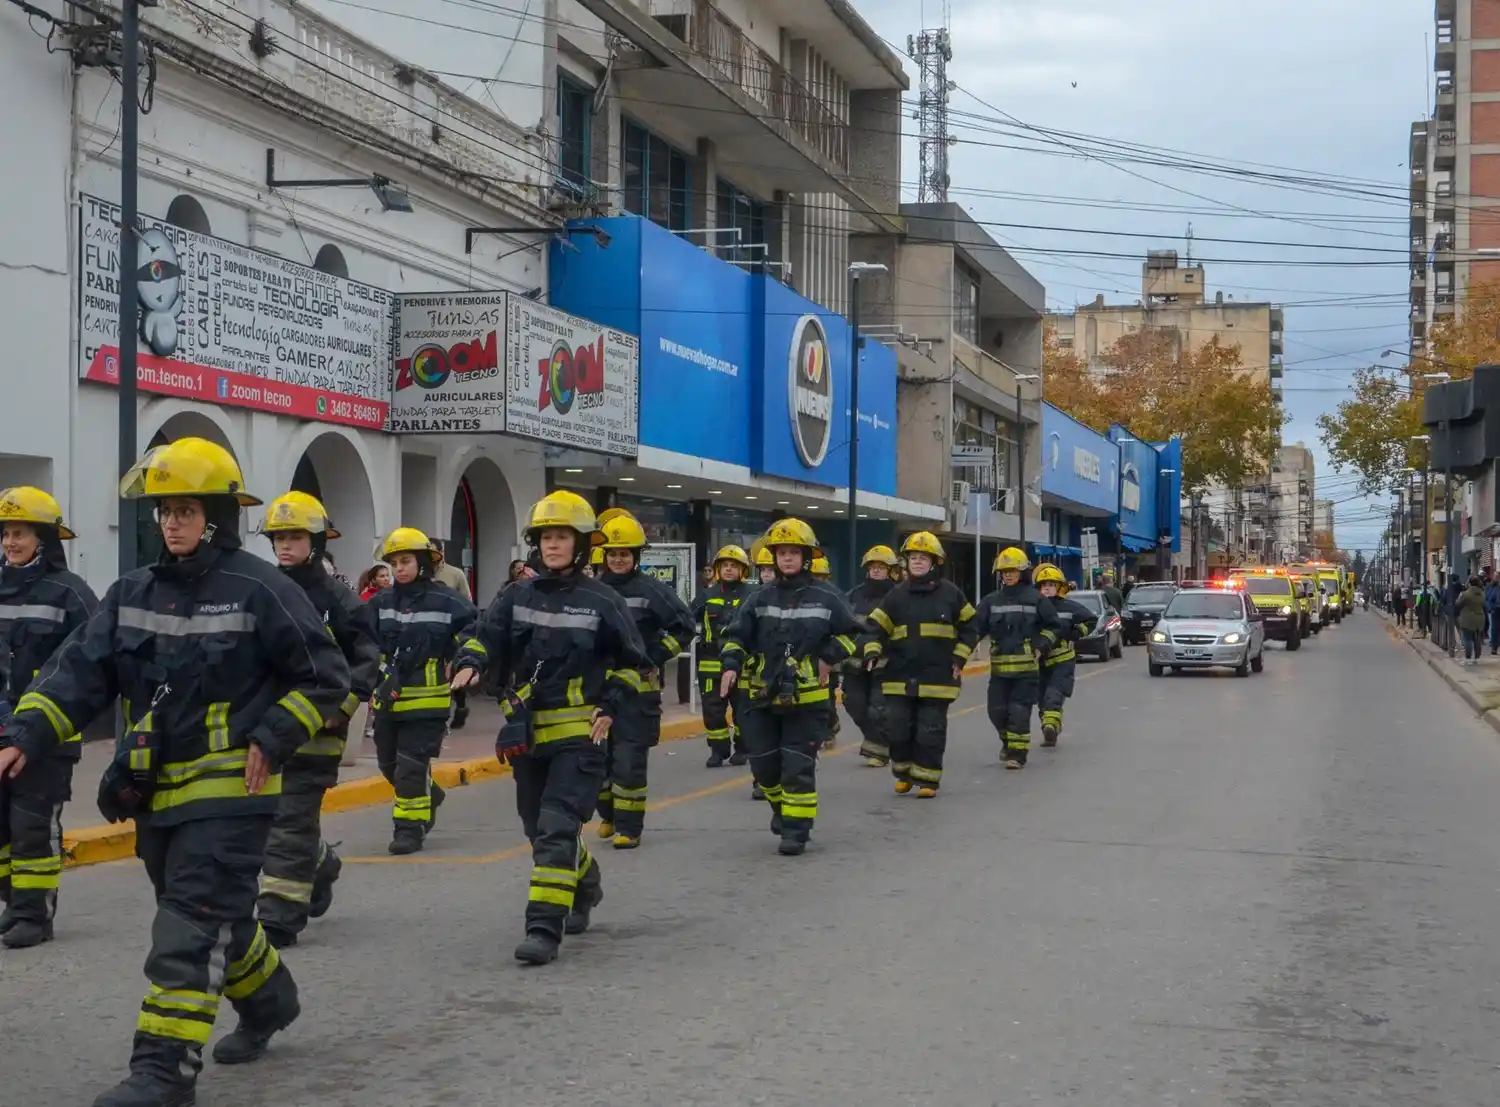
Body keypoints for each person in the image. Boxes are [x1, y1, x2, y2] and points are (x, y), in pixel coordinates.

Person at [0, 437, 351, 1106]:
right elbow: (78, 669)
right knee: (213, 916)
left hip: (232, 793)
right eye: (165, 511)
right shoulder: (134, 591)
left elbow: (325, 676)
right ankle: (271, 999)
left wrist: (277, 733)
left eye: (186, 509)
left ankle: (163, 1069)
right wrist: (27, 733)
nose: (173, 522)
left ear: (217, 514)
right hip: (156, 794)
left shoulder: (261, 587)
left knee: (188, 926)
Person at [450, 491, 649, 965]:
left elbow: (632, 665)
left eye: (562, 536)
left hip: (581, 736)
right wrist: (471, 662)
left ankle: (543, 927)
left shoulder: (604, 600)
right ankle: (585, 882)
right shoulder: (515, 595)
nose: (552, 545)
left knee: (558, 825)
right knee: (536, 828)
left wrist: (611, 705)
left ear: (581, 545)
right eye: (545, 537)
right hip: (527, 734)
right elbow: (485, 637)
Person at [253, 492, 380, 948]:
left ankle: (279, 915)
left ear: (317, 541)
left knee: (290, 817)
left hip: (318, 731)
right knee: (271, 818)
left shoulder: (339, 599)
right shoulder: (262, 589)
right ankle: (320, 862)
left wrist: (340, 709)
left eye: (294, 537)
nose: (285, 546)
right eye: (279, 538)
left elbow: (367, 659)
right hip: (268, 727)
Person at [718, 519, 862, 856]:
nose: (786, 558)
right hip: (761, 697)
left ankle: (796, 832)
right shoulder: (759, 597)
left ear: (806, 557)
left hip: (808, 699)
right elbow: (737, 636)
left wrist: (827, 659)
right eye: (781, 553)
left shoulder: (827, 596)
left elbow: (854, 633)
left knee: (797, 766)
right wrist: (730, 666)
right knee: (765, 767)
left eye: (793, 552)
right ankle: (782, 812)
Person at [0, 486, 98, 949]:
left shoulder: (72, 594)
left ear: (44, 538)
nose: (10, 543)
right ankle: (15, 902)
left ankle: (34, 916)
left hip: (50, 734)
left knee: (31, 825)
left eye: (19, 533)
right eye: (5, 534)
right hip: (2, 729)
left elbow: (89, 663)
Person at [367, 527, 477, 855]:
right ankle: (432, 794)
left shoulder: (447, 600)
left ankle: (409, 830)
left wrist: (467, 662)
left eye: (405, 561)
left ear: (424, 562)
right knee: (388, 765)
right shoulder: (380, 603)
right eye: (394, 563)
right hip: (388, 702)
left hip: (428, 703)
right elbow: (364, 643)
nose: (399, 569)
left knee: (410, 768)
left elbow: (472, 632)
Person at [591, 510, 694, 848]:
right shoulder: (593, 590)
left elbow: (684, 627)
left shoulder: (653, 590)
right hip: (596, 692)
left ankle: (629, 827)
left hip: (638, 692)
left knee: (628, 761)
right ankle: (608, 814)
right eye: (613, 554)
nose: (618, 559)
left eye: (625, 554)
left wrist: (654, 655)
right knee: (595, 760)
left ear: (636, 556)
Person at [861, 533, 977, 797]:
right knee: (898, 728)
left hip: (938, 678)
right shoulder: (895, 596)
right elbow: (874, 628)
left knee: (930, 730)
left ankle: (927, 780)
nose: (917, 562)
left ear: (934, 563)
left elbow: (971, 626)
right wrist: (872, 651)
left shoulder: (952, 594)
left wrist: (959, 657)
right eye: (913, 557)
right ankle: (903, 773)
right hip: (899, 676)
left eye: (923, 558)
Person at [976, 547, 1061, 770]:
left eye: (1012, 570)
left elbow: (1054, 626)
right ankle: (1008, 741)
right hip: (999, 671)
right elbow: (975, 629)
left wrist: (1041, 645)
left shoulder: (1037, 599)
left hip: (1026, 672)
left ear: (1022, 572)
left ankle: (1018, 753)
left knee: (1019, 711)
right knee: (996, 712)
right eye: (1004, 571)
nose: (1008, 575)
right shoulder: (990, 601)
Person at [693, 544, 755, 768]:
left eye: (734, 566)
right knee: (712, 711)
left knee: (742, 711)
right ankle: (718, 751)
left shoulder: (752, 595)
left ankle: (742, 748)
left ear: (743, 570)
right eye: (725, 565)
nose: (729, 569)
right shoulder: (707, 595)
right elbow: (686, 618)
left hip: (742, 663)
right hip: (710, 662)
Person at [845, 545, 898, 767]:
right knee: (854, 704)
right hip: (854, 664)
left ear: (890, 570)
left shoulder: (898, 595)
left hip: (885, 663)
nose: (876, 571)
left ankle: (878, 749)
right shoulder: (853, 595)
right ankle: (879, 741)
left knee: (878, 708)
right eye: (873, 567)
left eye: (881, 567)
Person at [1032, 564, 1095, 747]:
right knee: (1042, 699)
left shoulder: (1070, 607)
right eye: (1043, 585)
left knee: (1054, 694)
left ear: (1059, 587)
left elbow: (1090, 620)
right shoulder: (1034, 608)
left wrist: (1076, 633)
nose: (1046, 588)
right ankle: (1049, 728)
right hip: (1040, 662)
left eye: (1051, 584)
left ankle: (1050, 725)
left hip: (1063, 661)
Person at [430, 540, 474, 729]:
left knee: (454, 669)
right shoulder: (420, 573)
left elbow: (467, 601)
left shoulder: (455, 574)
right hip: (429, 629)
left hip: (452, 629)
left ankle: (461, 706)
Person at [1458, 575, 1487, 665]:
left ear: (1469, 583)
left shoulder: (1466, 594)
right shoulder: (1482, 593)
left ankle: (1468, 658)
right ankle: (1477, 658)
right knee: (1477, 638)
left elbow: (1458, 604)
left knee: (1468, 639)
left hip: (1468, 619)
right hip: (1480, 618)